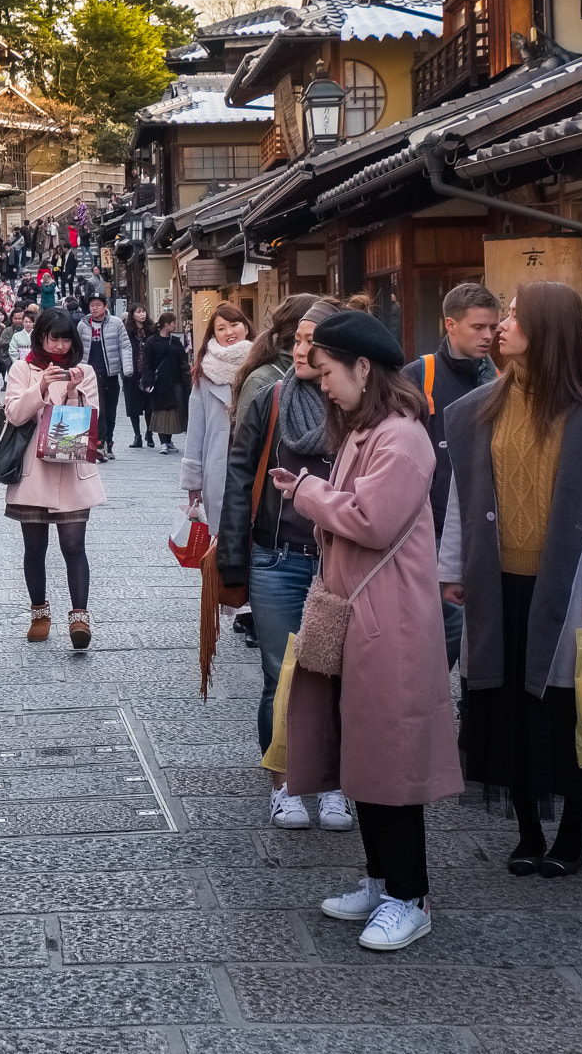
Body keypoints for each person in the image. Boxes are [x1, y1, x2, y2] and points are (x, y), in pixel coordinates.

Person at [268, 310, 461, 952]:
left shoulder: (401, 436)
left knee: (394, 759)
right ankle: (382, 882)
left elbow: (371, 519)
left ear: (362, 368)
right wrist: (314, 492)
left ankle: (411, 895)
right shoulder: (367, 430)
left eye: (327, 372)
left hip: (392, 619)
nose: (322, 385)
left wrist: (306, 494)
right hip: (362, 612)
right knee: (369, 755)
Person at [442, 282, 582, 877]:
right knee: (506, 711)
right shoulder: (480, 407)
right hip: (497, 583)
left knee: (566, 711)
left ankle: (570, 834)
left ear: (546, 329)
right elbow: (460, 499)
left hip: (567, 588)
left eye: (516, 317)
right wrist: (453, 567)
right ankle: (526, 831)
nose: (502, 325)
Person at [217, 297, 347, 830]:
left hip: (340, 561)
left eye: (310, 342)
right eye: (296, 340)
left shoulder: (360, 406)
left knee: (336, 676)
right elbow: (240, 477)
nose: (298, 349)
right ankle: (286, 782)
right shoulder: (271, 400)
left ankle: (335, 783)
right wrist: (232, 559)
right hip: (277, 557)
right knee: (281, 673)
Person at [403, 282, 500, 669]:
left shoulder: (498, 379)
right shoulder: (419, 375)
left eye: (493, 327)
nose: (488, 336)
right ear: (451, 325)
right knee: (448, 629)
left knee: (480, 634)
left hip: (487, 526)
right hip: (433, 525)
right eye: (478, 327)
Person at [5, 308, 105, 650]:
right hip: (35, 474)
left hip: (72, 470)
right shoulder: (22, 368)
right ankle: (39, 612)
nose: (60, 346)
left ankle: (79, 617)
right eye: (54, 338)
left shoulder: (84, 371)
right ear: (41, 337)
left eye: (66, 339)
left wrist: (75, 392)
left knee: (74, 546)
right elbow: (14, 415)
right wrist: (41, 387)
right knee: (35, 548)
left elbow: (92, 422)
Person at [181, 301, 252, 535]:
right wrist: (194, 483)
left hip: (254, 461)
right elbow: (196, 430)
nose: (229, 332)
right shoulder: (205, 373)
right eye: (221, 328)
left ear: (246, 328)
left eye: (234, 324)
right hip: (219, 465)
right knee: (223, 541)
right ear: (214, 334)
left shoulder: (261, 366)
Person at [77, 294, 131, 460]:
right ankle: (99, 444)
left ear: (105, 306)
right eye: (92, 305)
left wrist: (127, 368)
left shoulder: (116, 323)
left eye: (98, 305)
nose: (94, 308)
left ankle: (109, 442)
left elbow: (125, 345)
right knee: (98, 408)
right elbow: (78, 348)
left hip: (111, 373)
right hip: (91, 374)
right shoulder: (83, 325)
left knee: (111, 410)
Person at [141, 313, 190, 453]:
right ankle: (163, 441)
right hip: (159, 382)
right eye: (173, 323)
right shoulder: (152, 341)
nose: (175, 325)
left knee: (174, 411)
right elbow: (147, 364)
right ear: (166, 324)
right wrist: (148, 382)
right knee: (161, 411)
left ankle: (169, 441)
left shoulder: (176, 342)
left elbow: (183, 362)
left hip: (175, 381)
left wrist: (187, 379)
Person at [122, 306, 155, 448]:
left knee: (149, 404)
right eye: (138, 312)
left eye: (143, 311)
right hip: (132, 372)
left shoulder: (151, 330)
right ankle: (137, 435)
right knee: (133, 405)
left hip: (148, 372)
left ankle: (150, 433)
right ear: (133, 314)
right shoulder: (127, 331)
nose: (142, 314)